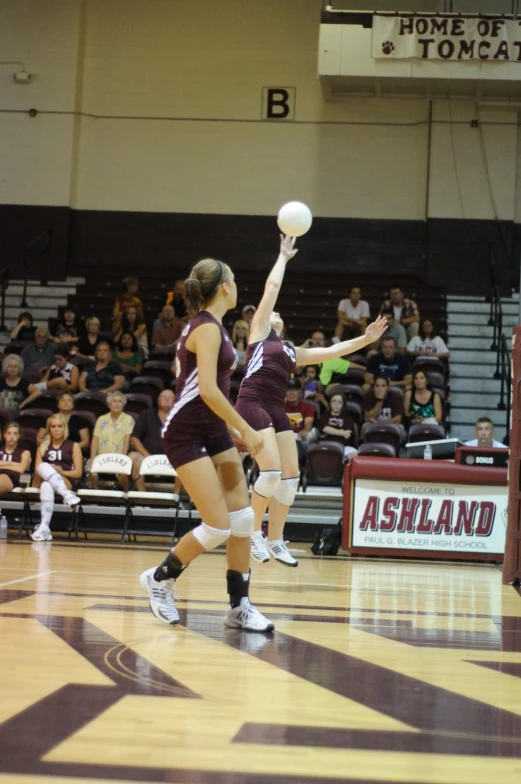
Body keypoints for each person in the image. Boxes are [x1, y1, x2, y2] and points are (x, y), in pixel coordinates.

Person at [234, 234, 387, 567]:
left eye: (277, 314)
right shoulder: (257, 333)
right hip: (252, 403)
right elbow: (271, 289)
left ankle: (275, 539)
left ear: (284, 325)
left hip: (275, 408)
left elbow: (333, 350)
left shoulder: (292, 350)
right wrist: (283, 258)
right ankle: (253, 533)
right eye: (268, 312)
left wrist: (367, 338)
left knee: (291, 475)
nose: (272, 312)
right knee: (271, 473)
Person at [140, 255, 273, 633]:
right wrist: (246, 430)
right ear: (225, 288)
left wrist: (230, 431)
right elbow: (211, 392)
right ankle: (160, 578)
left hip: (211, 429)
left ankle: (239, 606)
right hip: (185, 432)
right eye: (233, 278)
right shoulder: (207, 329)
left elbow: (206, 392)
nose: (236, 283)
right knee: (217, 526)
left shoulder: (214, 326)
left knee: (243, 518)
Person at [30, 413, 82, 542]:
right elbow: (38, 470)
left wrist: (61, 471)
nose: (56, 429)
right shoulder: (42, 446)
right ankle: (45, 526)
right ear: (49, 429)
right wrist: (50, 468)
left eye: (59, 426)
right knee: (45, 475)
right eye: (53, 426)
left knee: (46, 474)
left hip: (66, 480)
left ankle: (44, 527)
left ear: (65, 428)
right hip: (45, 480)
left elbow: (78, 473)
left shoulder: (73, 446)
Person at [129, 389, 179, 491]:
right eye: (163, 397)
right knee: (133, 456)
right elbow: (134, 439)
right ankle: (142, 494)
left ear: (174, 402)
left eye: (170, 398)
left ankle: (176, 496)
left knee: (185, 458)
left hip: (172, 458)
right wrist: (147, 456)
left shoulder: (179, 417)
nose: (166, 399)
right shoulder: (146, 414)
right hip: (147, 455)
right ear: (158, 400)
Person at [317, 390, 358, 463]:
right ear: (330, 403)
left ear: (343, 405)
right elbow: (325, 429)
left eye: (339, 402)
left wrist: (332, 431)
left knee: (355, 453)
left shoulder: (347, 419)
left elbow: (347, 435)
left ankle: (342, 462)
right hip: (326, 445)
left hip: (343, 446)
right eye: (334, 401)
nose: (336, 404)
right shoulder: (324, 416)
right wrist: (341, 432)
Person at [0, 422, 31, 514]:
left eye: (15, 433)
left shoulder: (25, 452)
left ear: (19, 436)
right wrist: (12, 463)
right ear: (4, 435)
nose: (12, 436)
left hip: (10, 479)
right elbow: (18, 466)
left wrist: (2, 464)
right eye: (9, 433)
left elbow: (21, 469)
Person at [284, 378, 316, 462]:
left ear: (300, 392)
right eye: (289, 390)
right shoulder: (280, 407)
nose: (291, 393)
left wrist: (305, 430)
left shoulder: (308, 407)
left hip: (299, 440)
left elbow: (308, 424)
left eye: (294, 390)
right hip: (282, 438)